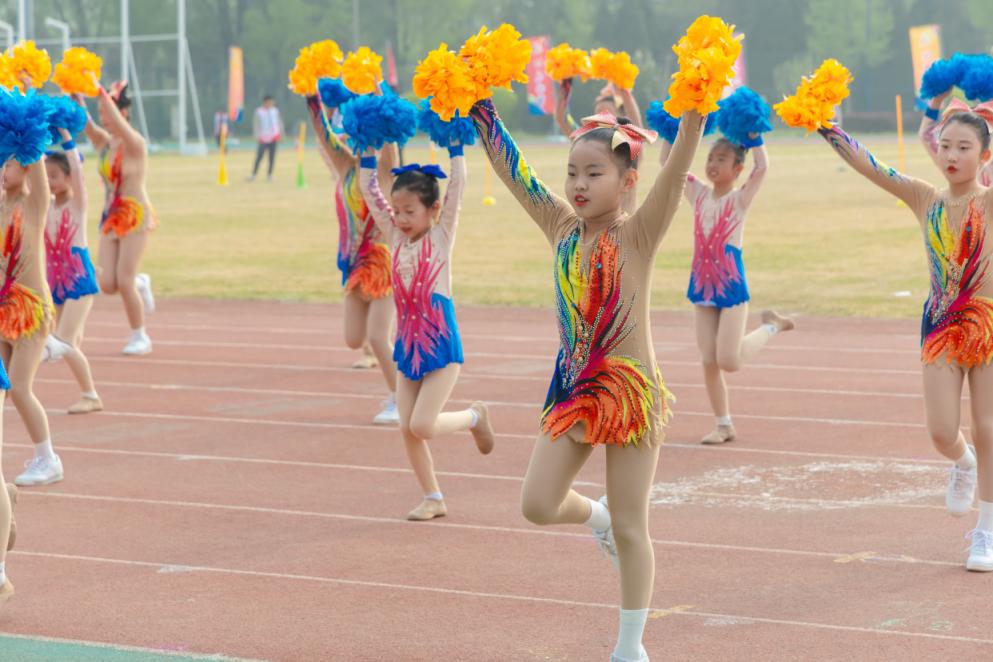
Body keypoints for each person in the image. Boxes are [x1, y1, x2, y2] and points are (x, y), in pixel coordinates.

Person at [470, 96, 704, 661]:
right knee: (537, 504)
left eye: (594, 173)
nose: (579, 184)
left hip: (629, 395)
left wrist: (696, 108)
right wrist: (482, 111)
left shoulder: (639, 233)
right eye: (572, 172)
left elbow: (674, 175)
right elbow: (515, 171)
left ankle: (629, 647)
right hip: (573, 392)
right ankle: (591, 515)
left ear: (627, 180)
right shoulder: (560, 225)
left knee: (632, 528)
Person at [818, 100, 993, 572]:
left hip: (989, 326)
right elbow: (872, 167)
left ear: (985, 156)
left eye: (964, 147)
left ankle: (986, 532)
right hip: (940, 325)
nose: (951, 154)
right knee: (941, 431)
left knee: (989, 427)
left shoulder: (989, 201)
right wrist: (823, 124)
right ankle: (963, 461)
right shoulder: (924, 197)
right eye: (945, 145)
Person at [359, 140, 496, 521]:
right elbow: (371, 195)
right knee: (406, 427)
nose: (401, 218)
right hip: (408, 348)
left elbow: (458, 188)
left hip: (441, 346)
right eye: (397, 210)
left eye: (409, 211)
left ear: (433, 210)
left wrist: (456, 150)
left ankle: (473, 416)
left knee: (422, 424)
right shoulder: (396, 238)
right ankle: (433, 496)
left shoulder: (441, 236)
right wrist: (367, 156)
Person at [660, 134, 793, 444]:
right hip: (702, 285)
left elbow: (762, 167)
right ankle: (723, 424)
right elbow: (668, 165)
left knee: (728, 361)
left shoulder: (740, 199)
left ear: (737, 169)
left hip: (731, 285)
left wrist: (755, 136)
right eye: (710, 158)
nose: (713, 163)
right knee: (708, 359)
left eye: (722, 159)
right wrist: (672, 133)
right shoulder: (698, 194)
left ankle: (771, 326)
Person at [306, 93, 398, 423]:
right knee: (353, 339)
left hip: (384, 261)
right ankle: (406, 382)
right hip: (355, 264)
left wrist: (378, 95)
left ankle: (399, 397)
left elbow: (390, 140)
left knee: (377, 336)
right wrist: (314, 104)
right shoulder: (346, 166)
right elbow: (324, 137)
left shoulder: (386, 170)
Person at [81, 81, 156, 355]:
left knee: (123, 280)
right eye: (101, 111)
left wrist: (101, 91)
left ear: (123, 111)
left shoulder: (135, 142)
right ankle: (140, 282)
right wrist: (75, 93)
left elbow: (118, 123)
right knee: (107, 283)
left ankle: (140, 335)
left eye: (108, 110)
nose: (104, 117)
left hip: (135, 214)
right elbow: (86, 124)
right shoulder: (104, 143)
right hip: (111, 216)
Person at [42, 129, 103, 414]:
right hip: (55, 282)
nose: (50, 182)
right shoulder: (44, 207)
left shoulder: (77, 204)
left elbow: (77, 169)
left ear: (68, 177)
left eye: (55, 176)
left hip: (78, 279)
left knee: (63, 342)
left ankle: (90, 395)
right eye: (47, 177)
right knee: (53, 339)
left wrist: (66, 136)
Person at [249, 95, 283, 181]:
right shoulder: (259, 111)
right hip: (263, 137)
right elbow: (256, 124)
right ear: (264, 102)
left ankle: (270, 175)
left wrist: (280, 134)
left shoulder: (275, 111)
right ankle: (254, 175)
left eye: (271, 102)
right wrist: (257, 136)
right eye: (268, 102)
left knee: (272, 158)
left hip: (274, 137)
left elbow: (279, 123)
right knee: (259, 157)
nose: (270, 104)